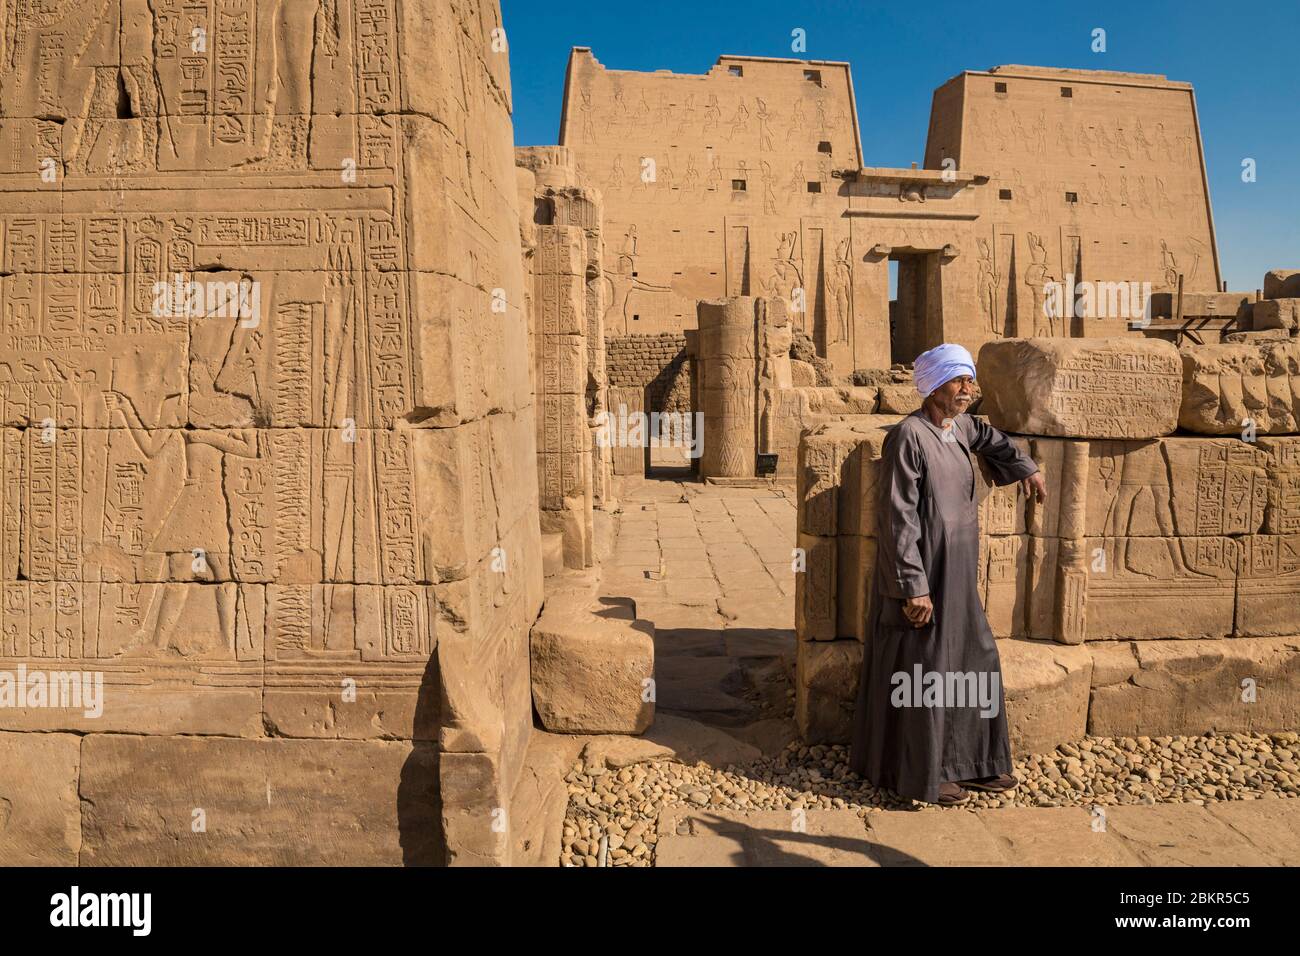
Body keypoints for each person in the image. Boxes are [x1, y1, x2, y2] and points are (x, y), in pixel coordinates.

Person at [848, 343, 1048, 806]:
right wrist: (912, 586)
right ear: (934, 385)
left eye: (969, 381)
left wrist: (1026, 469)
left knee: (975, 657)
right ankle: (924, 773)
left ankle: (975, 762)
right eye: (959, 381)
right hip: (925, 573)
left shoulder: (961, 426)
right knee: (927, 670)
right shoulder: (908, 436)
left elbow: (992, 438)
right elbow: (898, 517)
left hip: (958, 569)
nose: (967, 389)